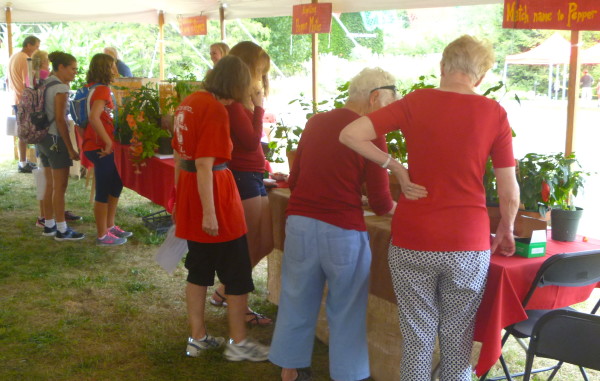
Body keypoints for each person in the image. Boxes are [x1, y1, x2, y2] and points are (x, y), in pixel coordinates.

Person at [340, 35, 520, 381]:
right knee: (458, 341)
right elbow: (509, 191)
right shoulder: (494, 113)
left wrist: (394, 166)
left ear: (442, 67)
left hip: (413, 237)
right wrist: (507, 228)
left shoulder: (415, 102)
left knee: (417, 337)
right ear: (480, 76)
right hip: (467, 242)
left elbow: (350, 134)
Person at [269, 68, 398, 381]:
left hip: (299, 223)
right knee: (346, 310)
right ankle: (348, 375)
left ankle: (290, 371)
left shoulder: (316, 122)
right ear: (375, 97)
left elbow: (295, 180)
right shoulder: (371, 132)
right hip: (342, 231)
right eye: (389, 105)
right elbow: (382, 201)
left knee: (296, 299)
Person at [172, 55, 269, 362]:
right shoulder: (214, 109)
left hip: (191, 190)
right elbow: (204, 164)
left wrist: (178, 200)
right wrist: (210, 213)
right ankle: (238, 342)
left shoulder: (189, 102)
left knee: (198, 267)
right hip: (214, 194)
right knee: (237, 270)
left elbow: (179, 155)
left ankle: (197, 337)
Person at [209, 41, 273, 326]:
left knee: (266, 241)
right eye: (260, 72)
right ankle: (237, 301)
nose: (261, 78)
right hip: (243, 176)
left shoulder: (240, 101)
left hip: (253, 175)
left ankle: (226, 291)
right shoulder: (234, 103)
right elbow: (249, 141)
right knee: (249, 244)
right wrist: (259, 108)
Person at [82, 53, 132, 246]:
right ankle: (102, 234)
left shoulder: (90, 88)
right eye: (113, 66)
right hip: (101, 147)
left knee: (115, 183)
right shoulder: (101, 90)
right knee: (103, 190)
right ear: (106, 69)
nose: (116, 70)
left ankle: (110, 226)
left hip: (97, 145)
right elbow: (94, 118)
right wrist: (108, 143)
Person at [37, 51, 85, 242]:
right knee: (60, 186)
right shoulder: (61, 89)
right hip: (56, 139)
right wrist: (71, 148)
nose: (75, 72)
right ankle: (62, 229)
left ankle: (49, 225)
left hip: (43, 138)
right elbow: (61, 119)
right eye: (72, 69)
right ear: (62, 67)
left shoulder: (46, 82)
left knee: (50, 184)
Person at [8, 35, 40, 173]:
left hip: (17, 98)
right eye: (36, 47)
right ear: (28, 45)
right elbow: (28, 82)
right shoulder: (25, 59)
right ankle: (23, 163)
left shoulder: (14, 56)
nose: (37, 50)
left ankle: (23, 161)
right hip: (24, 100)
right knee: (25, 132)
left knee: (23, 131)